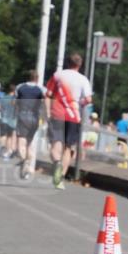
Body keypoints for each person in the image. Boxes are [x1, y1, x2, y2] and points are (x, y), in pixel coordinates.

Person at [45, 53, 93, 190]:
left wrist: (48, 111)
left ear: (67, 62)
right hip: (73, 115)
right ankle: (60, 179)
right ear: (80, 65)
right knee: (68, 148)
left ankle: (57, 163)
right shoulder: (83, 79)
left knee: (55, 145)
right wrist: (78, 103)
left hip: (57, 114)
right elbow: (89, 100)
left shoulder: (58, 75)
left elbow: (48, 95)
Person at [13, 70, 45, 180]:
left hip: (22, 115)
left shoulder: (20, 87)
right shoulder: (41, 89)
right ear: (37, 78)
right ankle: (27, 168)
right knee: (29, 144)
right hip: (34, 118)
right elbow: (44, 103)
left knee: (21, 142)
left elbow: (14, 102)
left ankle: (23, 160)